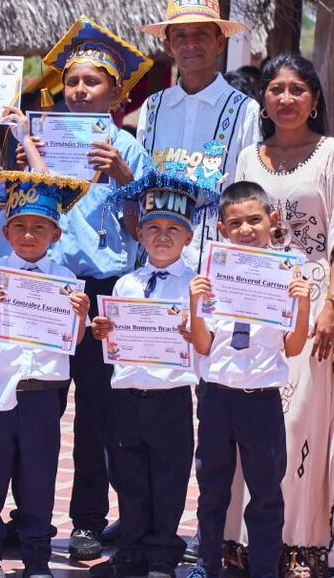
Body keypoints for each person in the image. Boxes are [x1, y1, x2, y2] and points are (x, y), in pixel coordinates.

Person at [234, 54, 334, 577]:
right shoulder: (248, 158)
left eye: (296, 90)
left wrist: (333, 306)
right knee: (248, 422)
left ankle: (298, 547)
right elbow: (233, 227)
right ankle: (241, 544)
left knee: (298, 423)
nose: (285, 99)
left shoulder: (332, 155)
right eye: (275, 89)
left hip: (315, 303)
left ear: (314, 98)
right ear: (263, 98)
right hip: (255, 300)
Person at [40, 17, 152, 563]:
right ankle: (30, 515)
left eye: (94, 82)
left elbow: (148, 229)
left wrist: (125, 175)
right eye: (74, 81)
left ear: (118, 91)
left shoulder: (131, 147)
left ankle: (88, 519)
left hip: (108, 288)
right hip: (53, 286)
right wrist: (31, 170)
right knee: (37, 403)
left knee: (99, 411)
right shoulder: (45, 140)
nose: (81, 90)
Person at [89, 157, 218, 578]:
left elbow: (206, 341)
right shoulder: (126, 283)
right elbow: (115, 335)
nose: (162, 237)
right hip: (127, 394)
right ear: (139, 233)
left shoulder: (197, 285)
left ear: (187, 236)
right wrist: (103, 329)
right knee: (128, 475)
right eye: (153, 229)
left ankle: (162, 550)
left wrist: (190, 328)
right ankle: (131, 549)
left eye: (172, 230)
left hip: (170, 397)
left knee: (168, 476)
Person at [0, 171, 91, 578]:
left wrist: (81, 316)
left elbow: (74, 340)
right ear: (6, 232)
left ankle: (37, 554)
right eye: (19, 225)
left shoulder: (67, 281)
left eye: (40, 227)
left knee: (38, 475)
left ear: (55, 234)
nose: (29, 234)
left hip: (42, 393)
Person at [185, 181, 313, 578]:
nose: (246, 230)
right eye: (236, 223)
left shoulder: (287, 273)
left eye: (254, 220)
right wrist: (195, 303)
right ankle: (205, 566)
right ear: (222, 230)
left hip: (261, 399)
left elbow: (293, 348)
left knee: (265, 494)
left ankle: (263, 569)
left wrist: (303, 302)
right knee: (212, 491)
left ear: (272, 220)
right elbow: (204, 345)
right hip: (217, 396)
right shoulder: (212, 272)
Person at [138, 0, 261, 270]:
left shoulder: (244, 110)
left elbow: (249, 193)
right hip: (155, 263)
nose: (190, 44)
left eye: (201, 34)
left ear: (220, 42)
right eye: (180, 35)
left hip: (215, 263)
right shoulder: (153, 108)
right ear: (168, 46)